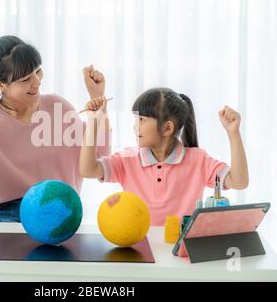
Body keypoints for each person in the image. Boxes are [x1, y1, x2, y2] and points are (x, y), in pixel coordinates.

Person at [0, 35, 110, 222]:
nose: (37, 82)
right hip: (7, 215)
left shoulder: (58, 107)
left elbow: (100, 157)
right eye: (26, 79)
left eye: (38, 71)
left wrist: (98, 100)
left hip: (59, 212)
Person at [79, 87, 249, 225]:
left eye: (142, 120)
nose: (135, 127)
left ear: (167, 128)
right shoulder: (128, 159)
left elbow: (239, 181)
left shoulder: (198, 160)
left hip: (180, 254)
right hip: (140, 248)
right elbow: (88, 170)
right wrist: (94, 121)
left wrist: (233, 133)